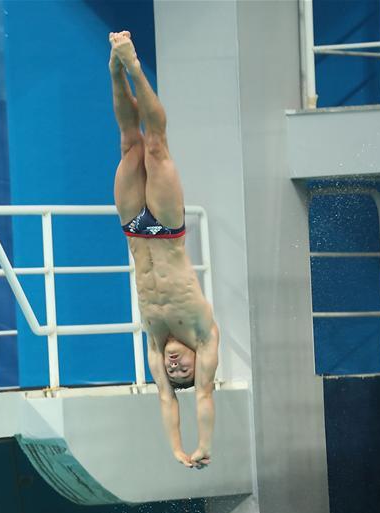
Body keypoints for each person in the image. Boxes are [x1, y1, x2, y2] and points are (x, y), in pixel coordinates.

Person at [108, 32, 219, 468]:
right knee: (155, 144)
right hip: (168, 229)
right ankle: (134, 64)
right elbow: (203, 396)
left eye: (174, 374)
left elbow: (167, 400)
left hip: (136, 230)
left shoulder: (155, 343)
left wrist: (176, 448)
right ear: (197, 360)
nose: (174, 366)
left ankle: (115, 69)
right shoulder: (203, 333)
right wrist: (202, 444)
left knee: (129, 143)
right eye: (183, 369)